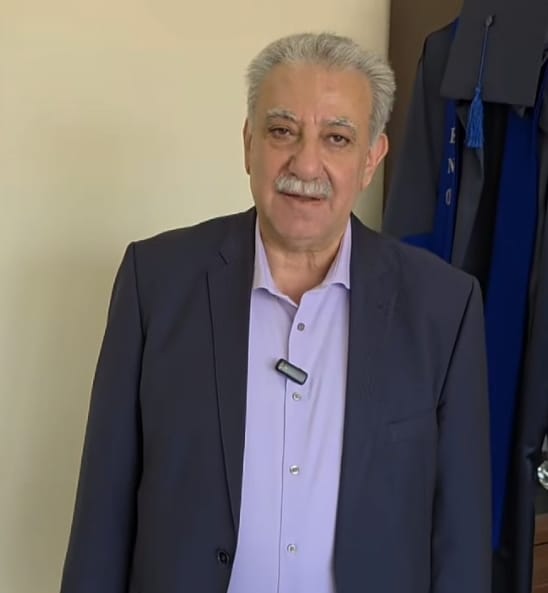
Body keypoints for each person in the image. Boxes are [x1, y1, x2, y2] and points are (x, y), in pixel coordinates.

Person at [60, 32, 491, 593]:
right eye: (283, 131)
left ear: (371, 159)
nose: (306, 163)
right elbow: (103, 516)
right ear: (249, 144)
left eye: (337, 138)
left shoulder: (444, 306)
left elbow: (460, 543)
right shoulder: (156, 282)